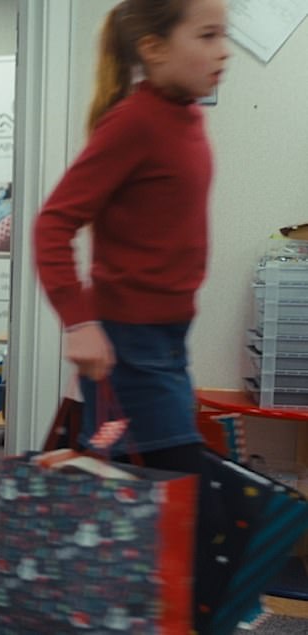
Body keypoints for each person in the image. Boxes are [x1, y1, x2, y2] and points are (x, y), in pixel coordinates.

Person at [33, 0, 230, 473]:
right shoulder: (135, 121)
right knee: (178, 485)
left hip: (168, 340)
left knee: (126, 472)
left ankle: (80, 461)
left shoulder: (185, 116)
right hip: (130, 345)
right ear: (154, 48)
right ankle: (78, 465)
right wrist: (79, 323)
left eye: (225, 36)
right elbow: (52, 223)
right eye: (207, 36)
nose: (224, 51)